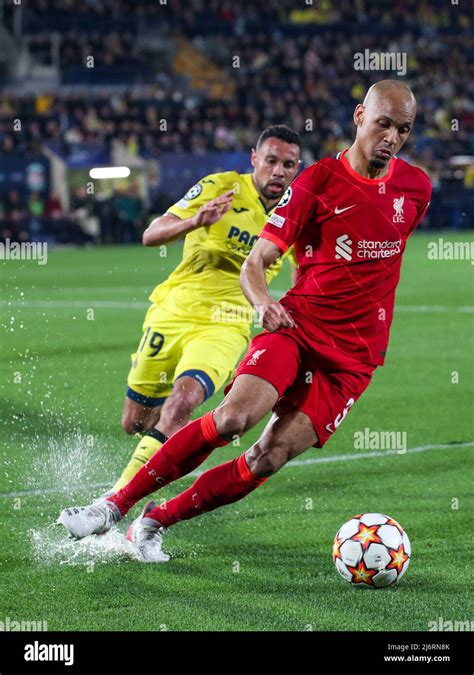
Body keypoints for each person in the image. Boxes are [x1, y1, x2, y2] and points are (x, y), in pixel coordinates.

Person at [58, 81, 432, 563]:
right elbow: (256, 262)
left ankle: (154, 521)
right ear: (360, 116)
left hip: (355, 359)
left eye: (404, 129)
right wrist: (261, 303)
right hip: (295, 329)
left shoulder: (415, 188)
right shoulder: (316, 182)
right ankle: (110, 507)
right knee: (233, 417)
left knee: (266, 458)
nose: (392, 137)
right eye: (384, 123)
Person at [108, 125, 301, 492]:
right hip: (175, 311)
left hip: (227, 324)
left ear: (297, 167)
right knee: (135, 422)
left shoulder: (293, 214)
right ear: (254, 159)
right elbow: (151, 234)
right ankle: (155, 447)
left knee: (183, 401)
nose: (279, 171)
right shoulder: (220, 186)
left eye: (288, 164)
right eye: (272, 161)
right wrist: (195, 221)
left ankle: (115, 499)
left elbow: (299, 279)